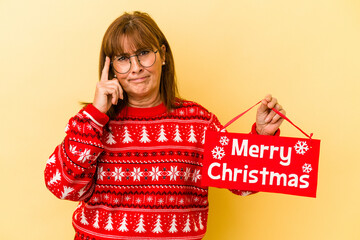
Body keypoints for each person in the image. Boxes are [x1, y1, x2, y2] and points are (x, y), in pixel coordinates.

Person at [44, 11, 286, 240]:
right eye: (123, 59)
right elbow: (62, 186)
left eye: (144, 53)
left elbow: (242, 185)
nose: (136, 67)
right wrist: (96, 114)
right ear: (111, 69)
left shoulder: (198, 121)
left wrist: (263, 136)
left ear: (163, 56)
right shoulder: (92, 124)